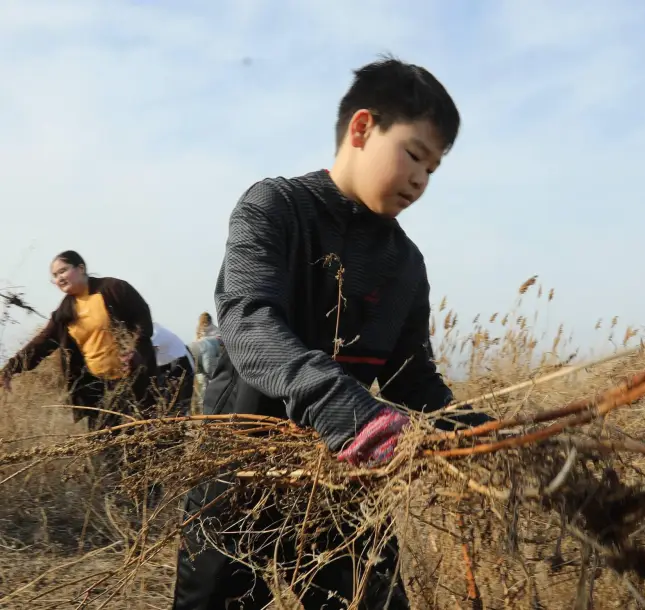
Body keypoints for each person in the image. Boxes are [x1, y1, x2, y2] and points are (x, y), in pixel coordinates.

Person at [171, 56, 489, 610]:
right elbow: (248, 320)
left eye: (432, 170)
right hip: (237, 469)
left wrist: (471, 429)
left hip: (341, 475)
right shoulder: (275, 208)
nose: (420, 179)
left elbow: (413, 378)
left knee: (373, 601)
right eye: (414, 155)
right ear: (362, 128)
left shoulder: (406, 263)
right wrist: (335, 399)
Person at [0, 251, 157, 431]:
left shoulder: (114, 289)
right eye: (55, 276)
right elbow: (42, 344)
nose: (59, 278)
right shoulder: (65, 312)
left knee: (145, 436)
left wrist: (135, 350)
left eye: (63, 271)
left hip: (134, 380)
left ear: (81, 268)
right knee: (107, 448)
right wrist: (10, 368)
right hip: (97, 388)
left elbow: (142, 318)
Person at [151, 321, 195, 416]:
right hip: (169, 364)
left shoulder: (154, 333)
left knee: (179, 408)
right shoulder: (153, 330)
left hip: (181, 364)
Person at [186, 312, 223, 415]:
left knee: (203, 383)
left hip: (196, 354)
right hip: (206, 352)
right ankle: (211, 408)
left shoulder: (199, 330)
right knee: (211, 378)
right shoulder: (215, 330)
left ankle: (205, 408)